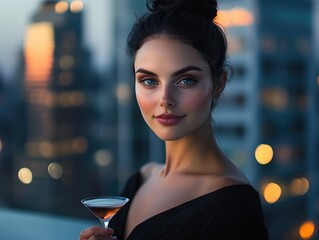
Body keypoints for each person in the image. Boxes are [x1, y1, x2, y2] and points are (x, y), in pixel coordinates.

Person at [80, 0, 269, 239]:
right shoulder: (141, 179)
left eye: (186, 80)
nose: (165, 99)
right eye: (149, 81)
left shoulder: (234, 204)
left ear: (218, 83)